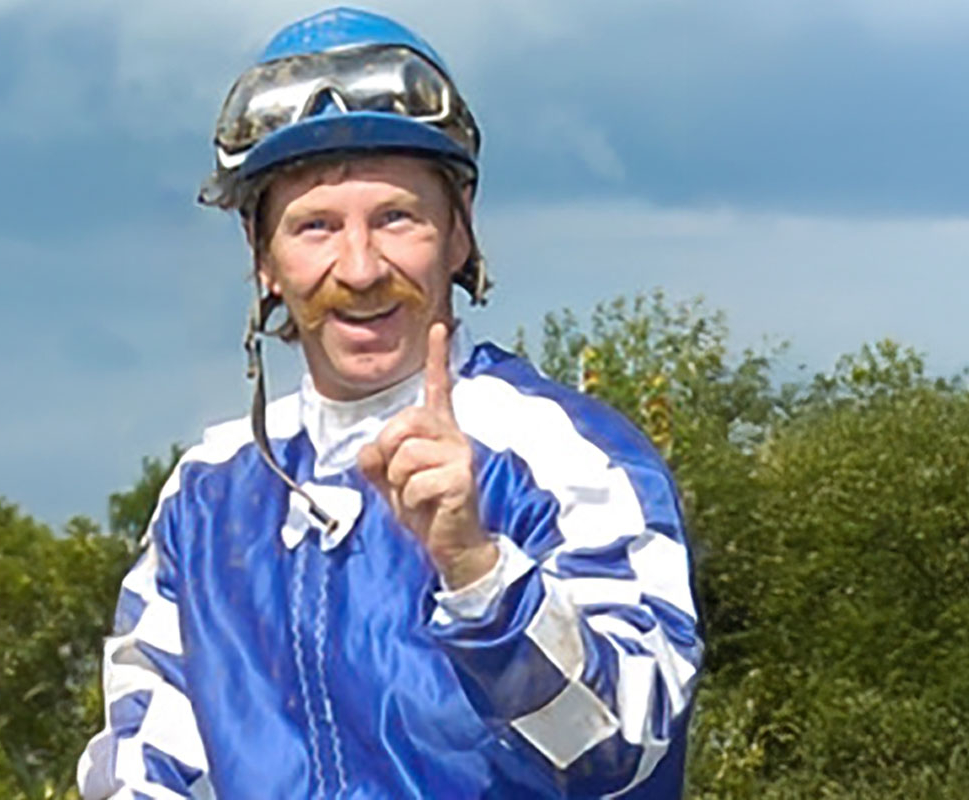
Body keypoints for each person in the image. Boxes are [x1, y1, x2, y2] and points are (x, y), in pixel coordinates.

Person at [78, 7, 702, 798]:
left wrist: (477, 572)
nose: (361, 267)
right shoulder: (207, 496)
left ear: (459, 236)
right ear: (263, 258)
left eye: (396, 219)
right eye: (314, 227)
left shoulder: (564, 456)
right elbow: (150, 766)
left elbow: (624, 752)